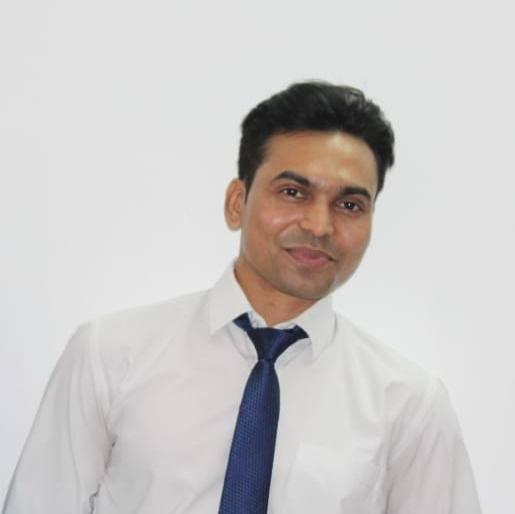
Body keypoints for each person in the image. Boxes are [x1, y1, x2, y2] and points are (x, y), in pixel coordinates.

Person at [2, 81, 482, 514]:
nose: (320, 225)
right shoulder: (110, 354)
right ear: (237, 203)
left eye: (350, 204)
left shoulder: (409, 404)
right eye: (293, 192)